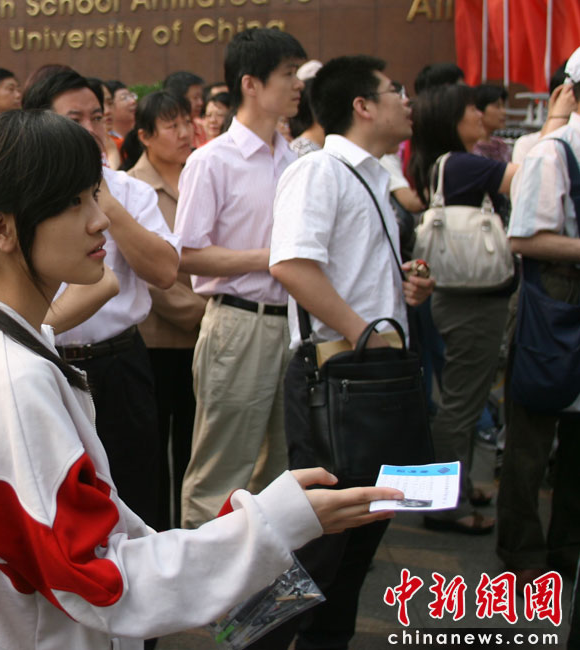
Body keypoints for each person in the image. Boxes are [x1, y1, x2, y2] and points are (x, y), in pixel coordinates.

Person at [0, 108, 404, 650]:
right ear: (0, 228)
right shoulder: (13, 378)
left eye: (94, 195)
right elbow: (102, 581)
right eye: (72, 203)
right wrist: (275, 522)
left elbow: (95, 548)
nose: (99, 220)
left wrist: (261, 521)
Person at [265, 55, 435, 650]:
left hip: (374, 373)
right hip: (337, 374)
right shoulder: (320, 170)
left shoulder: (373, 175)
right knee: (317, 542)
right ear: (362, 106)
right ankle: (251, 639)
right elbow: (291, 265)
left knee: (360, 538)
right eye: (394, 90)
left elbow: (348, 270)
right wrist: (368, 333)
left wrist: (404, 288)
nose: (406, 101)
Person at [23, 70, 180, 530]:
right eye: (74, 119)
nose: (90, 130)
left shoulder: (130, 191)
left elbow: (165, 272)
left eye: (97, 117)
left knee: (136, 498)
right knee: (58, 505)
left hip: (120, 364)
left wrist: (105, 202)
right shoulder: (23, 195)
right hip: (48, 363)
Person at [173, 27, 305, 529]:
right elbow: (187, 254)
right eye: (288, 74)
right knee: (222, 470)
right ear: (251, 83)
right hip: (237, 322)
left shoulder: (295, 161)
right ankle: (203, 572)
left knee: (279, 467)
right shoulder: (212, 160)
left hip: (292, 324)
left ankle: (264, 572)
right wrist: (271, 259)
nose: (298, 85)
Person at [408, 83, 518, 535]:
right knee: (460, 404)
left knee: (462, 399)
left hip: (457, 295)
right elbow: (528, 179)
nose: (480, 115)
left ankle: (458, 489)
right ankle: (443, 506)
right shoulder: (463, 164)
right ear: (451, 119)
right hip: (472, 300)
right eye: (472, 109)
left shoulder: (442, 164)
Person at [499, 47, 580, 589]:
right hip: (555, 294)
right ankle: (522, 548)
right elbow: (524, 237)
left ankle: (567, 544)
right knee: (532, 431)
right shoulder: (553, 152)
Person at [122, 91, 205, 529]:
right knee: (152, 452)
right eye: (172, 126)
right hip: (157, 341)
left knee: (195, 448)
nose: (184, 133)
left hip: (202, 342)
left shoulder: (199, 176)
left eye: (187, 122)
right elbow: (154, 275)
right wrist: (207, 314)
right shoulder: (131, 188)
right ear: (145, 136)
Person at [163, 70, 208, 147]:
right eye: (195, 98)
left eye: (201, 97)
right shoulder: (164, 130)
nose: (200, 103)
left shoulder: (203, 127)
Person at [473, 84, 511, 162]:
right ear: (479, 110)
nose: (504, 112)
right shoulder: (470, 148)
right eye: (497, 106)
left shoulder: (502, 146)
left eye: (503, 106)